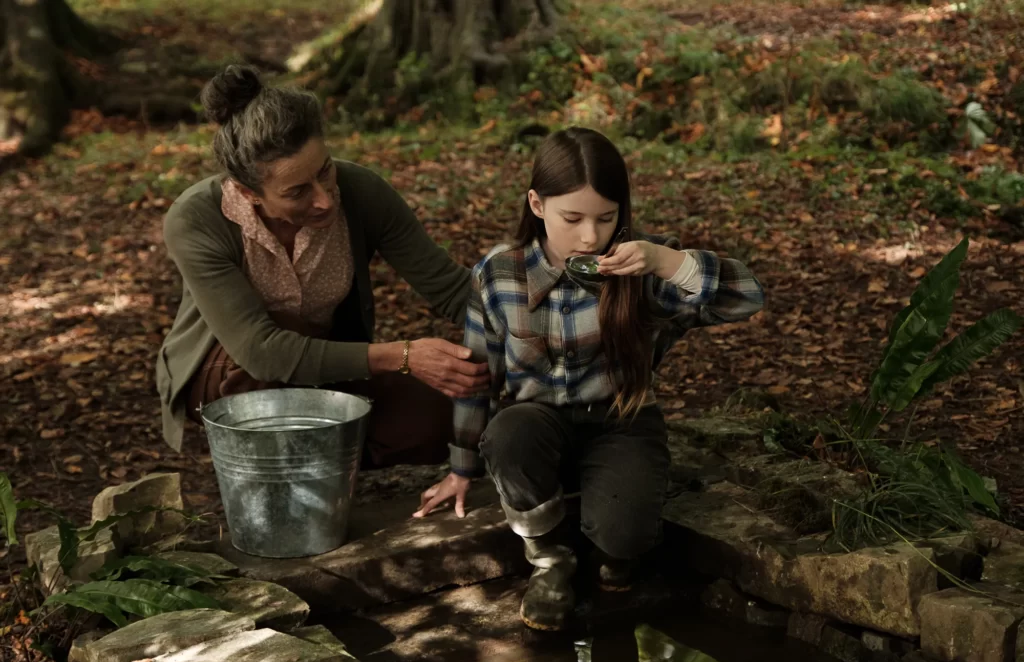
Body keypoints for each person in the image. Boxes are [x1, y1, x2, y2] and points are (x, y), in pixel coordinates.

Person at [413, 127, 764, 631]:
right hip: (535, 427)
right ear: (537, 204)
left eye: (606, 217)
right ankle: (549, 560)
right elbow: (477, 374)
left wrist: (667, 262)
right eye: (572, 218)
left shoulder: (643, 267)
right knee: (508, 434)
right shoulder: (500, 272)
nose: (589, 237)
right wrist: (462, 467)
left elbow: (748, 297)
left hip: (622, 422)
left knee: (625, 538)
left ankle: (615, 545)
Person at [155, 65, 488, 468]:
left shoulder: (362, 192)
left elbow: (450, 289)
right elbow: (262, 352)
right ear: (248, 192)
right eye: (297, 191)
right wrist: (404, 355)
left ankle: (322, 457)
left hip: (328, 359)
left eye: (325, 170)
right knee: (263, 384)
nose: (325, 199)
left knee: (442, 423)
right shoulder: (197, 219)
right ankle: (282, 468)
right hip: (231, 366)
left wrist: (531, 320)